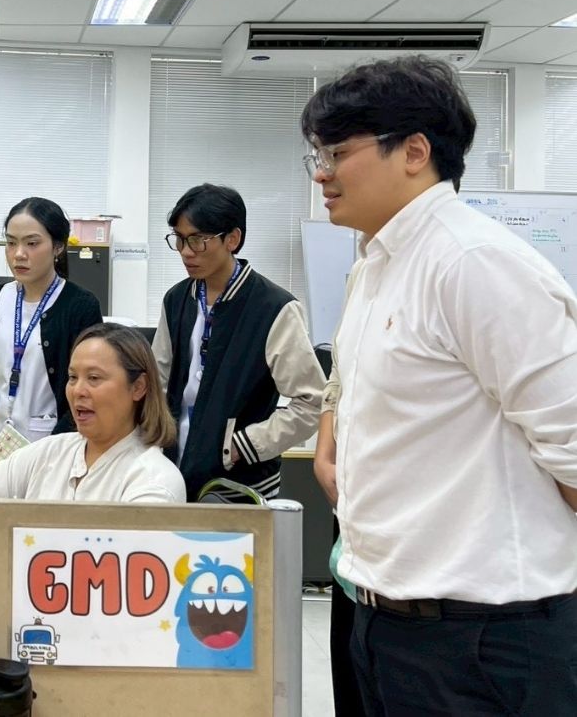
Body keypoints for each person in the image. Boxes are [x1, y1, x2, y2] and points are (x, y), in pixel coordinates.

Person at [301, 55, 577, 716]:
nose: (321, 173)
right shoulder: (374, 264)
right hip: (384, 620)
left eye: (338, 152)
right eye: (318, 154)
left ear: (415, 152)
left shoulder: (474, 263)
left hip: (483, 638)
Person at [152, 183, 324, 502]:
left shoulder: (274, 308)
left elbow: (312, 403)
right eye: (179, 239)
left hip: (240, 485)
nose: (186, 251)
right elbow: (157, 382)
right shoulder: (177, 299)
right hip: (173, 474)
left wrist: (243, 445)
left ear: (232, 239)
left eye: (198, 240)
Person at [0, 323, 184, 502]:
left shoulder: (154, 480)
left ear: (138, 387)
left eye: (94, 378)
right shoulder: (49, 452)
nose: (78, 390)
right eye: (72, 377)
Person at [0, 197, 102, 476]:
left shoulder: (80, 306)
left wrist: (49, 460)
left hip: (51, 457)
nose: (19, 254)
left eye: (32, 243)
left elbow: (84, 396)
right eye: (11, 243)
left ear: (58, 247)